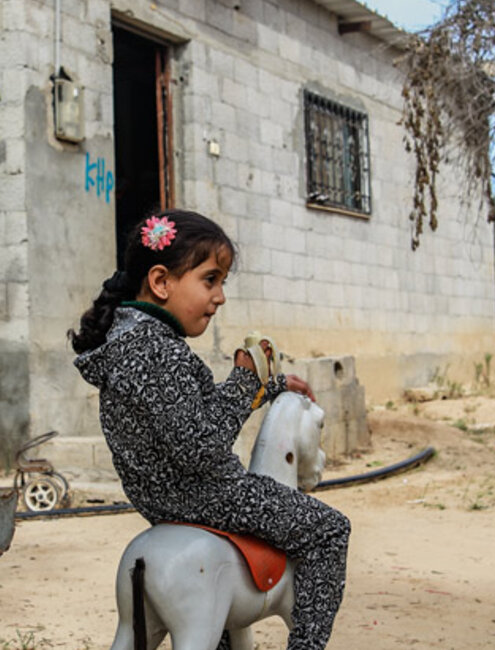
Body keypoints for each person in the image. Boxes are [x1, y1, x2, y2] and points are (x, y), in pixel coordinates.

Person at [70, 209, 350, 650]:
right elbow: (202, 447)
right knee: (330, 531)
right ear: (161, 282)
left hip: (163, 501)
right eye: (210, 280)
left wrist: (267, 385)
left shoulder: (130, 346)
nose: (219, 297)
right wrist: (243, 380)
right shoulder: (156, 351)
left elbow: (193, 419)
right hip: (205, 494)